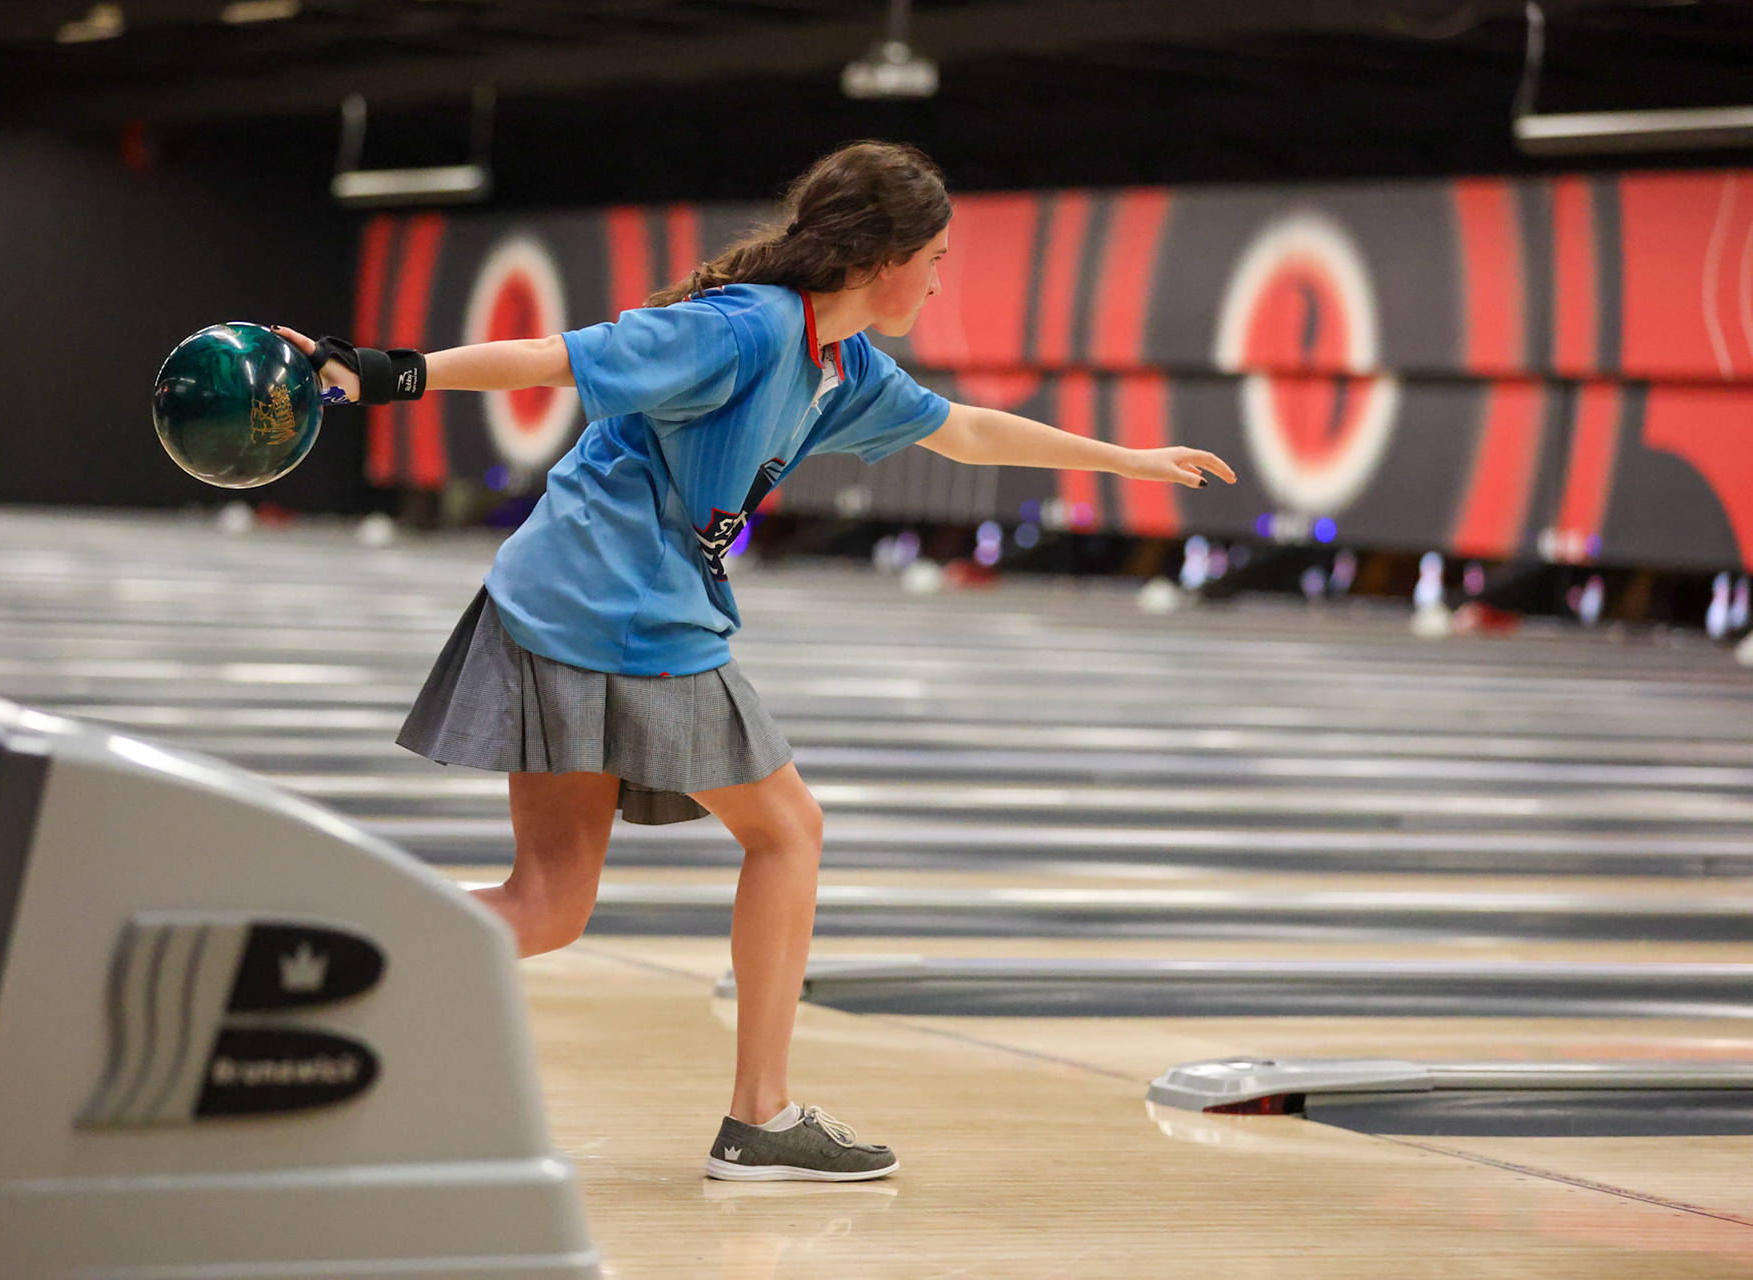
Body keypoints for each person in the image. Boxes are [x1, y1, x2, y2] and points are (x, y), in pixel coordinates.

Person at [277, 140, 1234, 1182]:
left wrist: (1128, 459)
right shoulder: (746, 329)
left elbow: (963, 431)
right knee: (789, 829)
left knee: (547, 905)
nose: (942, 278)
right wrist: (389, 372)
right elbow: (563, 355)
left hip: (556, 596)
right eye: (937, 256)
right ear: (882, 257)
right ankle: (760, 1116)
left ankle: (323, 957)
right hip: (620, 608)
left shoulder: (841, 362)